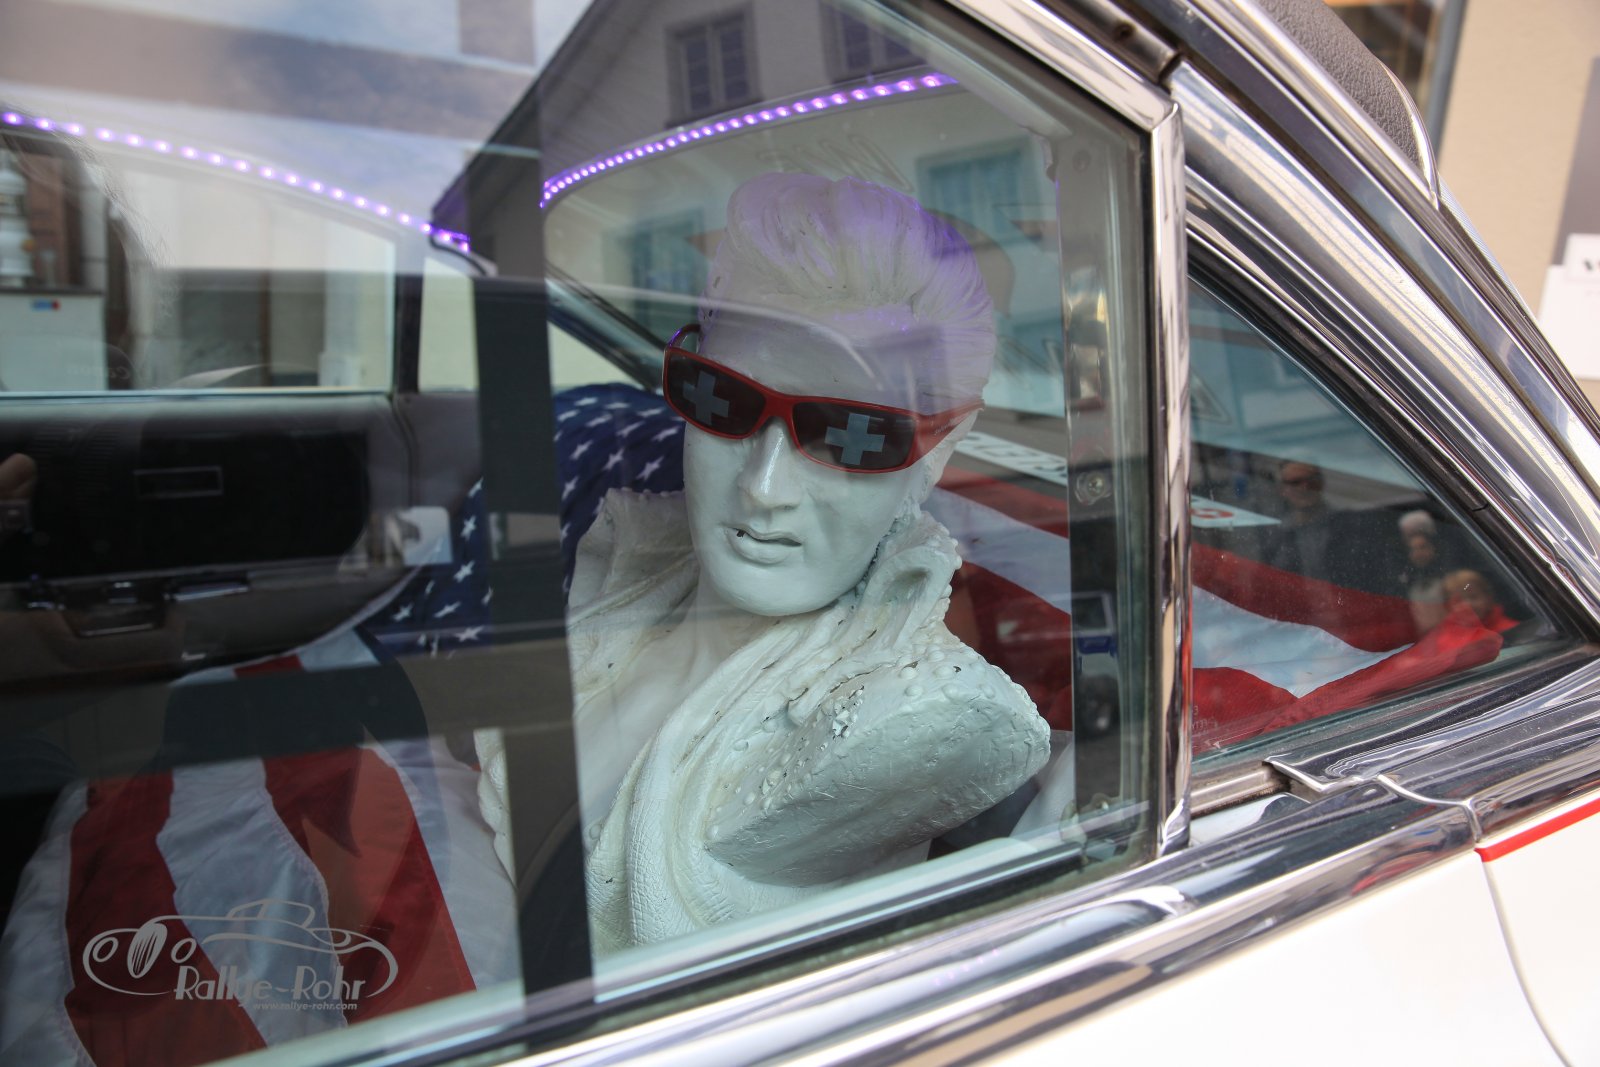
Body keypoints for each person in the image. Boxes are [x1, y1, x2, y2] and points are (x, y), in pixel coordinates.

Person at [478, 173, 1048, 954]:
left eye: (851, 435)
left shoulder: (921, 720)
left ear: (939, 450)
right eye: (723, 399)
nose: (763, 487)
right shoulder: (627, 569)